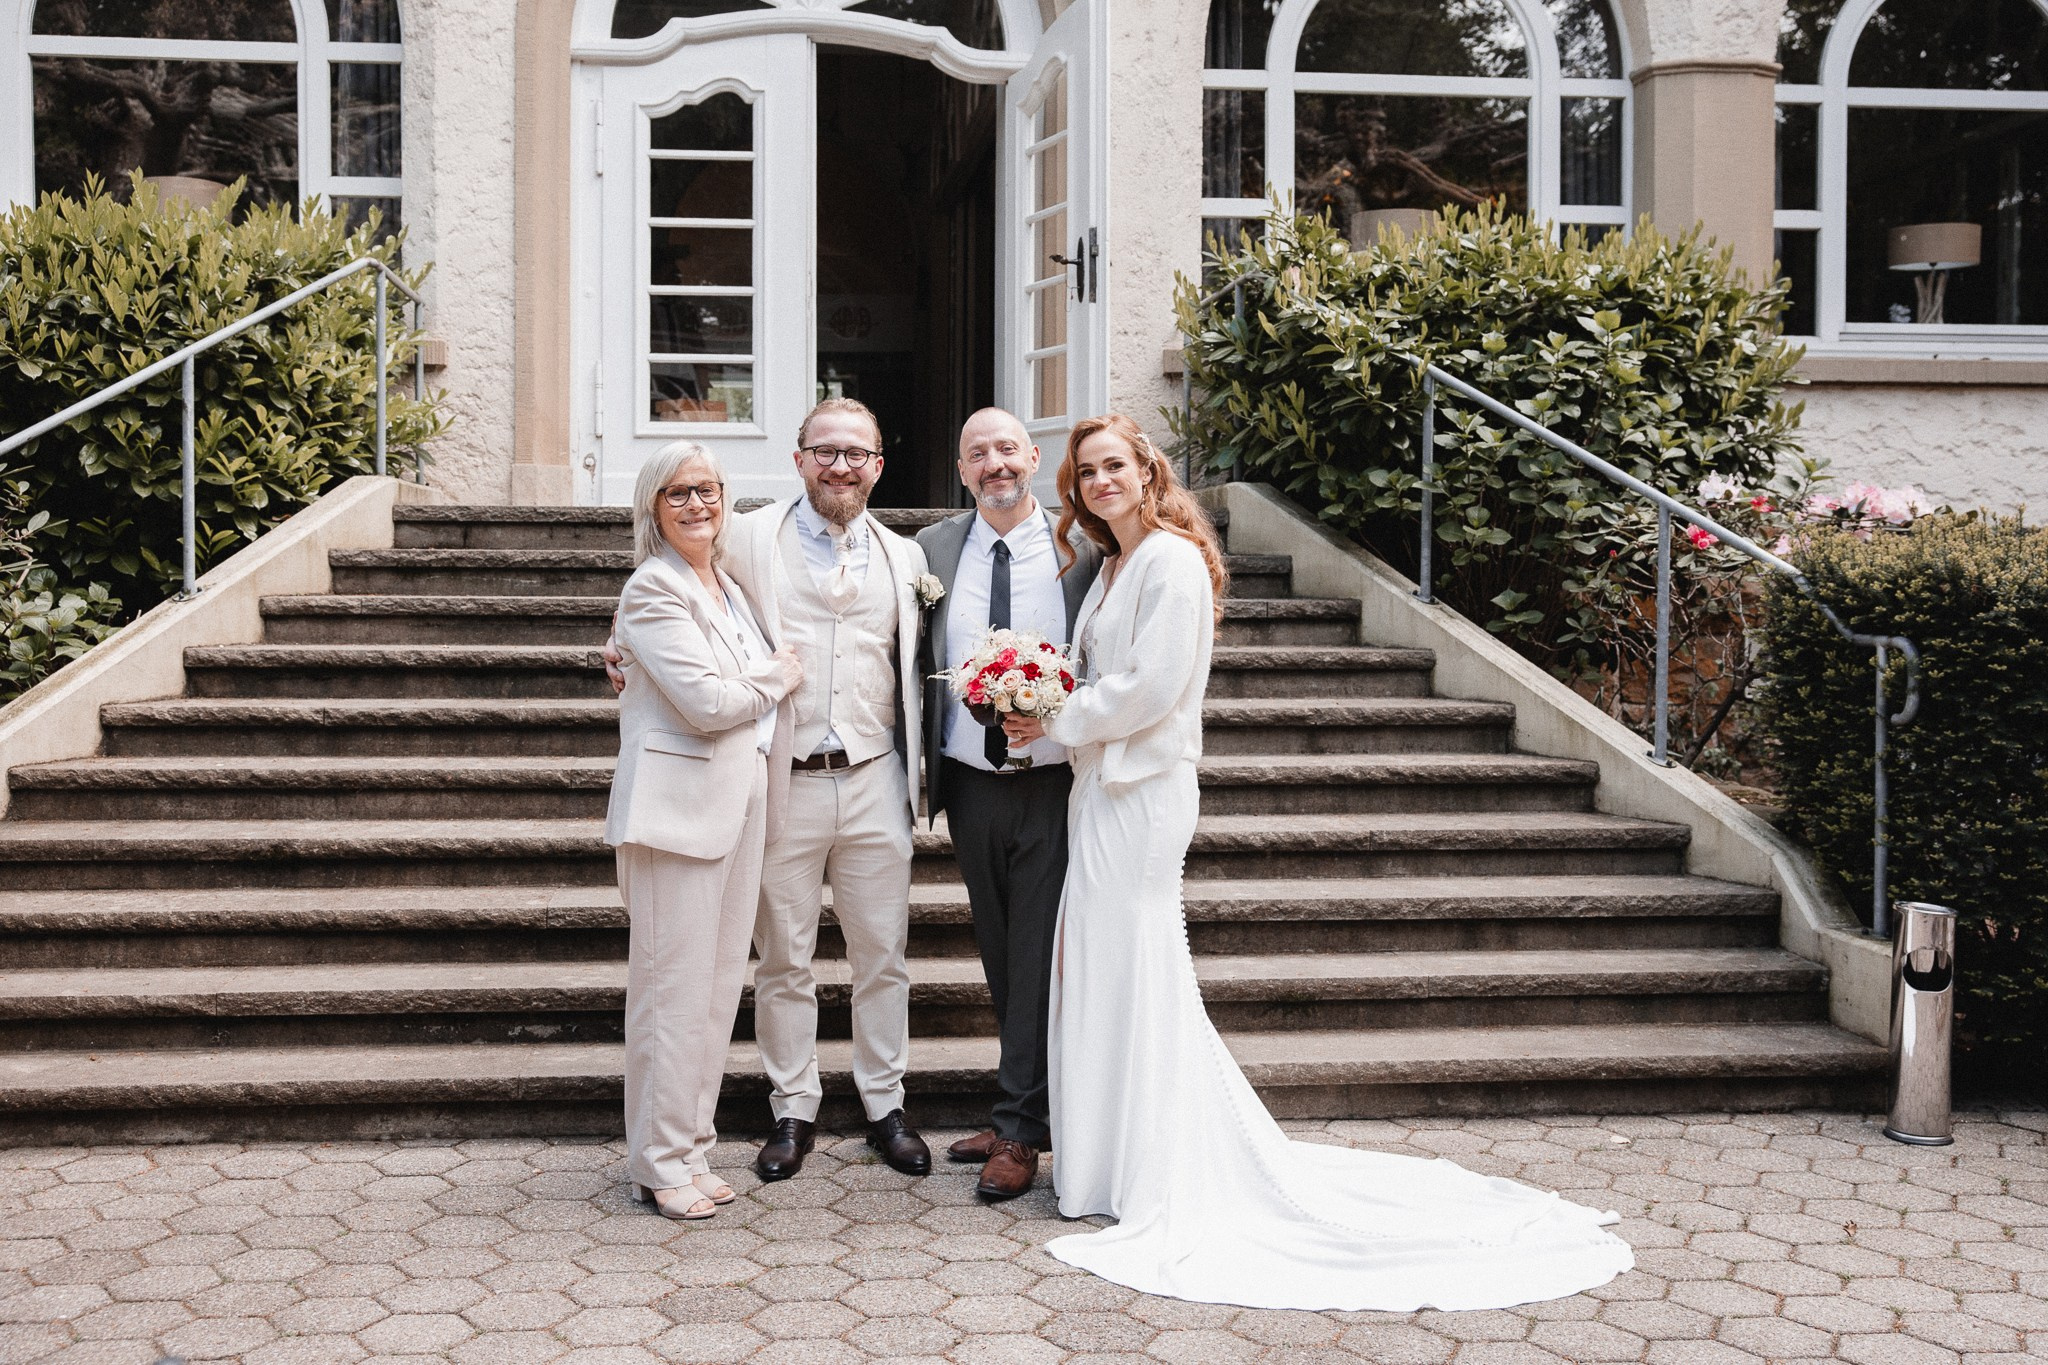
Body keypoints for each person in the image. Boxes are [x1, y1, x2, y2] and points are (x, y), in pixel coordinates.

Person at [1002, 414, 1636, 1311]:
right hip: (1098, 790)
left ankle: (1154, 1166)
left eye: (1115, 466)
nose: (1100, 481)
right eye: (1087, 471)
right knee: (1103, 965)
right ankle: (1107, 1164)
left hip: (1142, 795)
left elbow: (1150, 687)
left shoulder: (1174, 562)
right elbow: (1091, 673)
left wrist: (1059, 718)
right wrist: (1037, 702)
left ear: (1149, 474)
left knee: (1137, 961)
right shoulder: (1109, 566)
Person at [612, 398, 934, 1181]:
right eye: (825, 450)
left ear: (879, 464)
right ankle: (793, 1105)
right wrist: (619, 644)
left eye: (857, 453)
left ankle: (885, 1103)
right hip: (779, 781)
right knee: (781, 956)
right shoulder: (745, 533)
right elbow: (676, 589)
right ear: (798, 460)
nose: (841, 466)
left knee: (881, 952)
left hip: (874, 776)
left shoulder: (908, 556)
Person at [606, 441, 802, 1221]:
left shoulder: (725, 581)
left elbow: (730, 690)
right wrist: (780, 675)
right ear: (654, 507)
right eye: (679, 493)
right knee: (669, 993)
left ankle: (691, 1143)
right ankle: (656, 1163)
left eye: (710, 490)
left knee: (718, 988)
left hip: (741, 799)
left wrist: (752, 682)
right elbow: (708, 701)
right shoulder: (653, 588)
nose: (697, 505)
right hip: (676, 812)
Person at [914, 408, 1101, 1200]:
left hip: (1052, 780)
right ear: (962, 469)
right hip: (969, 780)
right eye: (976, 453)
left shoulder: (1082, 553)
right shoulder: (931, 551)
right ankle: (1022, 1102)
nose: (995, 463)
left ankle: (1021, 1133)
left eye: (1006, 449)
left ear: (1033, 456)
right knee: (998, 949)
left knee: (1035, 954)